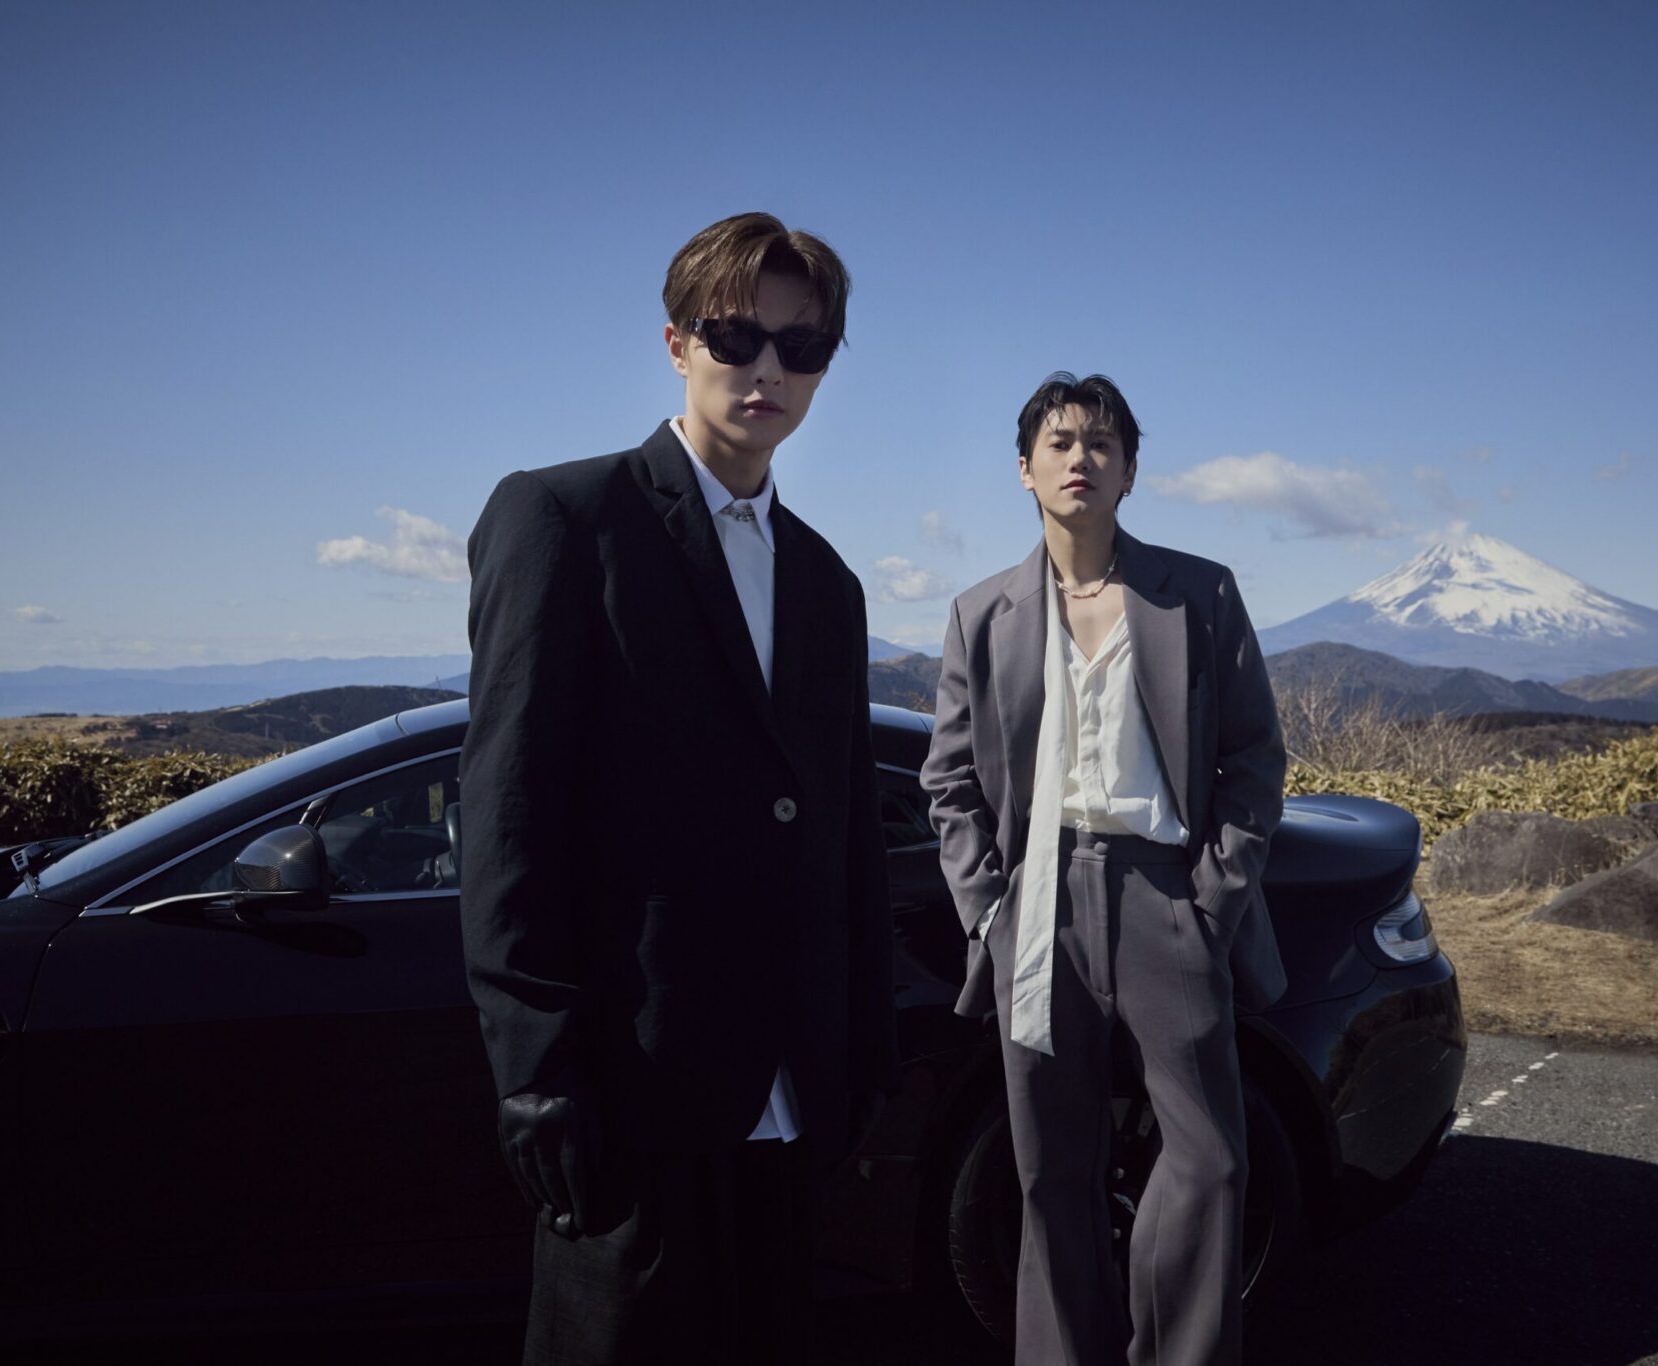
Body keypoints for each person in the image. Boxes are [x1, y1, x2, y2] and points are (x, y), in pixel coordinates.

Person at [460, 211, 898, 1365]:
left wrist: (859, 1054)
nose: (767, 370)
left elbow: (843, 829)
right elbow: (508, 819)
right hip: (630, 1088)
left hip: (791, 1097)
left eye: (801, 347)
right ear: (675, 343)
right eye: (736, 336)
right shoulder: (564, 519)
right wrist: (535, 1072)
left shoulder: (827, 580)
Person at [919, 373, 1288, 1365]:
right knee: (1049, 1170)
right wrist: (987, 911)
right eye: (1058, 441)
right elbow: (947, 780)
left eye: (1100, 442)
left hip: (1166, 895)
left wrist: (1211, 901)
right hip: (1035, 903)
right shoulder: (981, 613)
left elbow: (1254, 761)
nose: (1079, 457)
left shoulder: (1198, 593)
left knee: (1211, 1161)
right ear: (1025, 468)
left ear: (1129, 470)